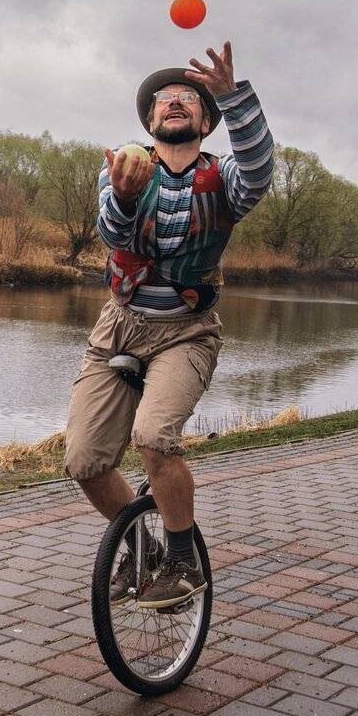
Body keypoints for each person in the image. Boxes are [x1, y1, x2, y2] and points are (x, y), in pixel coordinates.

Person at [64, 41, 274, 609]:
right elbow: (113, 236)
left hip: (187, 329)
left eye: (188, 97)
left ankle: (182, 560)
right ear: (150, 120)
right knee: (83, 460)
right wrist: (127, 199)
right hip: (119, 326)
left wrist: (235, 97)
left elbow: (258, 170)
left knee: (154, 435)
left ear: (206, 121)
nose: (173, 101)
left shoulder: (225, 178)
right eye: (163, 99)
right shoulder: (121, 170)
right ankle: (142, 547)